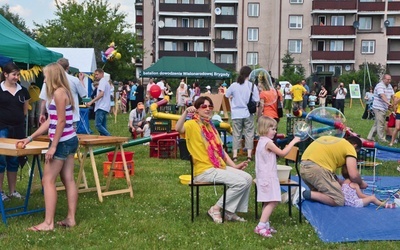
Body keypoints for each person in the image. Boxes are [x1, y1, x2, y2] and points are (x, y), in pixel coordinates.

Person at [19, 62, 79, 231]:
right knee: (68, 179)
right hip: (69, 139)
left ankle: (48, 223)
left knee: (47, 180)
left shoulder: (59, 93)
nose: (44, 79)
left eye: (45, 76)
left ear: (52, 76)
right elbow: (51, 122)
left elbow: (60, 121)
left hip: (62, 142)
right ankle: (71, 219)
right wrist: (30, 137)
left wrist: (53, 146)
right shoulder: (60, 92)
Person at [175, 96, 252, 223]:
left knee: (248, 178)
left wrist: (234, 166)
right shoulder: (191, 124)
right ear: (197, 109)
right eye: (203, 106)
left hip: (217, 166)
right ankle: (216, 209)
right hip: (203, 170)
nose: (207, 109)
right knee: (240, 182)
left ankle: (229, 212)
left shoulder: (211, 126)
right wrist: (185, 112)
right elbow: (178, 128)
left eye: (210, 106)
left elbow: (221, 151)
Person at [254, 116, 300, 238]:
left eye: (275, 129)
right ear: (264, 129)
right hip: (267, 177)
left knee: (268, 200)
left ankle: (266, 223)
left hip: (265, 176)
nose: (275, 131)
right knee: (273, 201)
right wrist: (293, 142)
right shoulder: (268, 143)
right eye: (272, 129)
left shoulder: (262, 141)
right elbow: (283, 153)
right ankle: (261, 226)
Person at [300, 136, 367, 206]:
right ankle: (302, 193)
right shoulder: (350, 147)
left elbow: (329, 173)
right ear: (355, 145)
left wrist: (341, 182)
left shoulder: (335, 142)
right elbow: (354, 175)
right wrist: (361, 183)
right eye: (357, 152)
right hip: (317, 170)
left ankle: (305, 194)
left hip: (304, 168)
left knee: (323, 195)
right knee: (338, 200)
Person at [0, 62, 30, 201]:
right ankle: (0, 191)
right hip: (2, 128)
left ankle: (12, 191)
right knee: (1, 160)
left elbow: (25, 107)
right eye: (14, 74)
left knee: (14, 159)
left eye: (18, 75)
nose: (16, 77)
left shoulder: (23, 90)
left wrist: (20, 119)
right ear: (5, 74)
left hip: (18, 129)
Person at [39, 58, 87, 128]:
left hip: (54, 117)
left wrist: (42, 113)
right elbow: (84, 94)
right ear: (68, 67)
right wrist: (81, 80)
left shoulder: (50, 79)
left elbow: (44, 99)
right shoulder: (74, 80)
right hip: (71, 116)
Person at [225, 66, 260, 162]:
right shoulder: (252, 86)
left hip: (236, 113)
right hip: (248, 113)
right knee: (249, 133)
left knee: (236, 134)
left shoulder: (234, 85)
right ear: (250, 74)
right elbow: (257, 100)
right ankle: (249, 155)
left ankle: (235, 155)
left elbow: (226, 95)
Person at [367, 74, 394, 143]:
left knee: (377, 122)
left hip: (384, 107)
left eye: (390, 79)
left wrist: (394, 103)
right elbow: (382, 95)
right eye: (388, 79)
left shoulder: (389, 86)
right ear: (383, 79)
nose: (389, 81)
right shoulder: (379, 86)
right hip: (378, 107)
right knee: (381, 123)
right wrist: (388, 103)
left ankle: (370, 137)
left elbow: (392, 95)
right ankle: (381, 138)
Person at [86, 68, 111, 136]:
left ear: (102, 74)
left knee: (98, 125)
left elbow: (101, 94)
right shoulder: (106, 82)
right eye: (95, 75)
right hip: (105, 106)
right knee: (103, 125)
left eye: (97, 74)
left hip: (101, 106)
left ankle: (109, 137)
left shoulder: (102, 82)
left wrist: (91, 102)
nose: (95, 76)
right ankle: (105, 139)